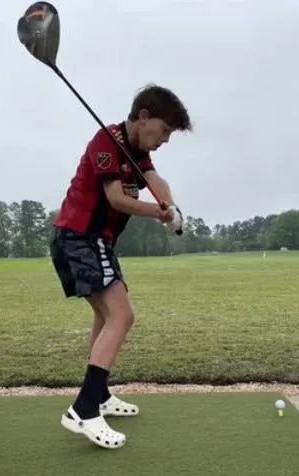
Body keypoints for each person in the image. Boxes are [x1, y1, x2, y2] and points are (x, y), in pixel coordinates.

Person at [49, 84, 192, 449]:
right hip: (80, 237)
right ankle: (83, 408)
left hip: (96, 241)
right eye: (164, 130)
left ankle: (99, 395)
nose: (164, 140)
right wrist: (159, 214)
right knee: (121, 316)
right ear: (144, 116)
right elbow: (115, 197)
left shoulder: (137, 149)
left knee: (106, 316)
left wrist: (170, 204)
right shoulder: (106, 142)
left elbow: (154, 179)